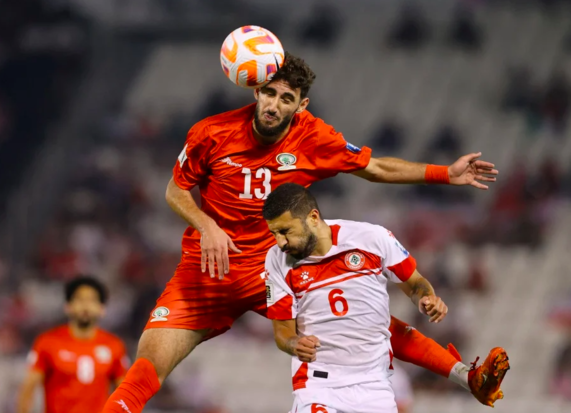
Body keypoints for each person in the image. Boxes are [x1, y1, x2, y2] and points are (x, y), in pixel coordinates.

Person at [103, 51, 500, 413]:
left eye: (286, 99)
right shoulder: (210, 133)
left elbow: (375, 168)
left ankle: (465, 375)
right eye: (270, 93)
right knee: (149, 363)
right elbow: (175, 190)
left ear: (301, 105)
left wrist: (445, 173)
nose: (274, 105)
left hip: (274, 270)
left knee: (369, 324)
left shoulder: (313, 137)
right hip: (208, 270)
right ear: (256, 89)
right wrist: (206, 225)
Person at [263, 183, 509, 412]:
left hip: (375, 389)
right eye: (274, 233)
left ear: (313, 218)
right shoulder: (277, 260)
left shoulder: (371, 238)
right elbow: (283, 332)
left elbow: (415, 284)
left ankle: (465, 376)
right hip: (319, 387)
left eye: (286, 231)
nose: (280, 242)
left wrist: (425, 298)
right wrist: (294, 344)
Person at [17, 276, 129, 413]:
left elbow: (124, 393)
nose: (85, 306)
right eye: (80, 299)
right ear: (68, 306)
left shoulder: (114, 345)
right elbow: (28, 388)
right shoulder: (47, 342)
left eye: (92, 300)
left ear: (102, 309)